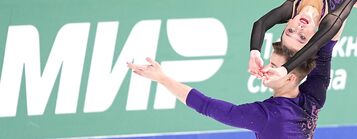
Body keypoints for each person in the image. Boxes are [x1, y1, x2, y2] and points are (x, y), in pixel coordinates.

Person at [127, 25, 344, 139]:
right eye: (270, 62)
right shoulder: (313, 97)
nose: (267, 68)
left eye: (274, 67)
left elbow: (206, 105)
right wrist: (345, 0)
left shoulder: (266, 115)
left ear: (290, 77)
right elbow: (327, 46)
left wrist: (162, 78)